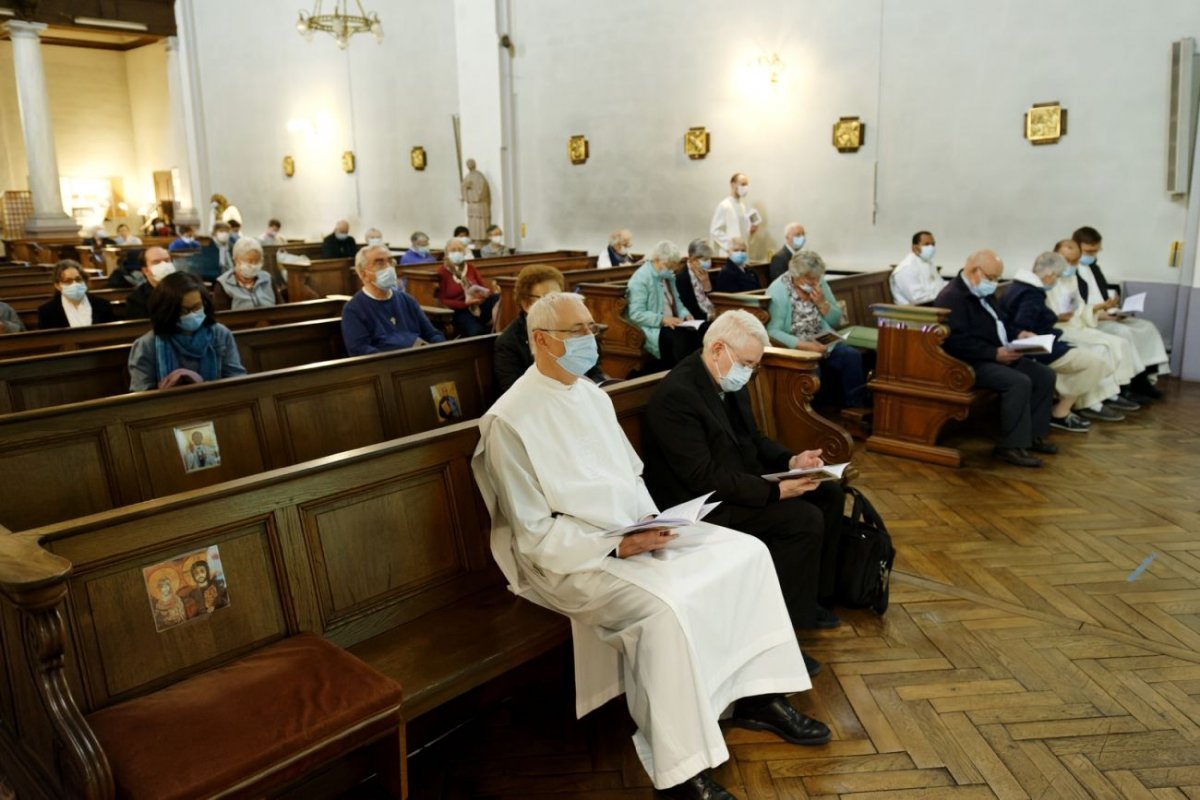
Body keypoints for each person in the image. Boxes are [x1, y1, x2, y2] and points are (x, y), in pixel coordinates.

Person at [472, 291, 830, 799]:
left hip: (633, 531)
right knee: (663, 612)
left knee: (747, 554)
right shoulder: (509, 420)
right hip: (570, 559)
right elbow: (533, 533)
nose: (591, 342)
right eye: (578, 333)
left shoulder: (591, 394)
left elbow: (628, 476)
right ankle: (681, 770)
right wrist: (616, 546)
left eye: (592, 330)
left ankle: (757, 697)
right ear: (540, 340)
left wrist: (649, 524)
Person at [644, 310, 845, 636]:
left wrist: (791, 462)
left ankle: (814, 598)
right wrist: (774, 492)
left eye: (754, 365)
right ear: (718, 349)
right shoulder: (677, 396)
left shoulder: (726, 376)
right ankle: (782, 625)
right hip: (701, 504)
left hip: (737, 482)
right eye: (747, 364)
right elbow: (702, 477)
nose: (749, 373)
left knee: (830, 493)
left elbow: (753, 439)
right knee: (801, 519)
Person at [934, 250, 1057, 467]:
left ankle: (1033, 437)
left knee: (1044, 375)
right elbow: (957, 343)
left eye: (997, 278)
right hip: (970, 362)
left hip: (997, 353)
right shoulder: (952, 297)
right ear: (974, 271)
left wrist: (1018, 335)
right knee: (1018, 382)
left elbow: (1000, 322)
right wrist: (993, 354)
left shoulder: (983, 291)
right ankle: (1010, 447)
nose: (994, 283)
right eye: (992, 278)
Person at [999, 252, 1117, 433]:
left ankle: (1059, 400)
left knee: (1091, 357)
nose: (1057, 280)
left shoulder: (1021, 286)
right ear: (1049, 275)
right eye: (1058, 276)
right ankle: (1060, 410)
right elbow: (1023, 328)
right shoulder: (1031, 293)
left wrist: (1053, 318)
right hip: (1035, 347)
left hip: (1043, 341)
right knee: (1096, 364)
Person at [1072, 226, 1169, 400]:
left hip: (1104, 313)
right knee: (1123, 333)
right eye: (1089, 251)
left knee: (1146, 327)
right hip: (1089, 319)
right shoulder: (1070, 271)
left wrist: (1113, 306)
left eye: (1096, 251)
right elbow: (1076, 305)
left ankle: (1145, 377)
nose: (1092, 255)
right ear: (1077, 246)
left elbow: (1099, 294)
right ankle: (1130, 384)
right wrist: (1099, 313)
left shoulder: (1093, 267)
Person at [1051, 239, 1140, 419]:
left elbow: (1079, 307)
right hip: (1060, 329)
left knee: (1117, 343)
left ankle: (1109, 394)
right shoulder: (1046, 278)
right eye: (1066, 259)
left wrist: (1098, 308)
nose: (1070, 265)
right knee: (1102, 348)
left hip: (1076, 325)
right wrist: (1059, 316)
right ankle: (1090, 403)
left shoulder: (1071, 278)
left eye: (1074, 261)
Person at [766, 251, 866, 408]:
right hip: (797, 346)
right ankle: (815, 419)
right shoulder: (778, 290)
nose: (815, 283)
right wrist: (807, 346)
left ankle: (854, 410)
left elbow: (836, 320)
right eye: (810, 280)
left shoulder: (819, 283)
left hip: (822, 340)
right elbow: (772, 331)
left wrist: (822, 303)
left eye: (818, 279)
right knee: (813, 372)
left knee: (851, 357)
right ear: (795, 276)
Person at [493, 264, 606, 394]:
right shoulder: (509, 341)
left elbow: (593, 371)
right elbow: (513, 389)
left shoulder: (578, 328)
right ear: (526, 304)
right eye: (548, 298)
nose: (556, 303)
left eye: (558, 296)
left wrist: (596, 390)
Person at [128, 272, 246, 391]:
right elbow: (141, 393)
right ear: (168, 311)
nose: (192, 315)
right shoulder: (147, 344)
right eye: (184, 311)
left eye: (197, 307)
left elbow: (236, 379)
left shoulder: (220, 334)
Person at [341, 244, 446, 355]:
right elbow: (359, 349)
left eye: (390, 261)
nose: (388, 267)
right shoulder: (353, 309)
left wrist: (440, 348)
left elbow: (432, 333)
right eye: (380, 263)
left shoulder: (407, 299)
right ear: (364, 274)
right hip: (387, 367)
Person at [625, 240, 702, 369]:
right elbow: (636, 314)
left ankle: (694, 374)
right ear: (656, 259)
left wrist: (686, 314)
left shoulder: (668, 277)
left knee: (699, 333)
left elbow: (678, 303)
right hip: (652, 328)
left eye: (673, 266)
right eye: (668, 265)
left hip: (673, 323)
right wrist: (662, 320)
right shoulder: (641, 278)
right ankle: (677, 376)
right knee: (678, 342)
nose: (671, 270)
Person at [438, 237, 498, 336]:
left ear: (464, 252)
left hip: (478, 306)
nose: (457, 252)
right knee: (477, 331)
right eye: (453, 250)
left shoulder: (470, 268)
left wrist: (482, 295)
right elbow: (442, 300)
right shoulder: (442, 271)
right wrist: (465, 304)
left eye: (460, 250)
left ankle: (497, 329)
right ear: (446, 253)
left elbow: (484, 288)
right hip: (459, 311)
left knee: (497, 298)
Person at [36, 260, 117, 329]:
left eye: (78, 280)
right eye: (68, 281)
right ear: (57, 285)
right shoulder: (47, 311)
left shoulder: (103, 305)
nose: (75, 284)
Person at [212, 237, 282, 311]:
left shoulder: (267, 278)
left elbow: (281, 309)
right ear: (235, 260)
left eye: (257, 261)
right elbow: (221, 318)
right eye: (249, 261)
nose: (253, 266)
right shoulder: (223, 284)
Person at [890, 231, 946, 306]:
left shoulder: (928, 262)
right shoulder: (907, 268)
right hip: (912, 313)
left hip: (932, 306)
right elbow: (917, 299)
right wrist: (944, 297)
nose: (931, 248)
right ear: (914, 247)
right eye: (926, 244)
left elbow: (940, 285)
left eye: (933, 244)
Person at [710, 172, 757, 256]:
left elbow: (741, 232)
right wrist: (731, 245)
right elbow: (715, 231)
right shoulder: (724, 205)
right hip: (729, 253)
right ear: (733, 185)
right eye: (742, 184)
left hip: (742, 252)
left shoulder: (742, 206)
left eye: (747, 185)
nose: (745, 187)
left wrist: (750, 232)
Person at [123, 247, 177, 319]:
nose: (164, 265)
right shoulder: (136, 300)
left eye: (167, 260)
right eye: (156, 262)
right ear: (145, 270)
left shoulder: (186, 288)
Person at [675, 238, 716, 323]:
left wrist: (707, 285)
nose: (709, 262)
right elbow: (689, 307)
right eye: (705, 259)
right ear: (692, 259)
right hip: (698, 320)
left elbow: (716, 299)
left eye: (709, 258)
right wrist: (709, 317)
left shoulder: (708, 273)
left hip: (713, 315)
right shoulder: (682, 277)